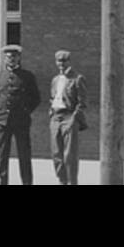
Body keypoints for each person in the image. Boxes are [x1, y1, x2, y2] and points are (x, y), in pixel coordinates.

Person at [0, 44, 40, 186]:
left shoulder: (27, 76)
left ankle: (27, 182)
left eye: (14, 56)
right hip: (3, 121)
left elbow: (36, 98)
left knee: (24, 154)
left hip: (21, 121)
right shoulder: (0, 75)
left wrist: (25, 111)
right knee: (2, 155)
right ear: (4, 59)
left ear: (19, 58)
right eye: (8, 57)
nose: (11, 59)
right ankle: (3, 181)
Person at [49, 49, 87, 186]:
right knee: (56, 154)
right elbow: (52, 98)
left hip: (69, 117)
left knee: (69, 156)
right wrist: (51, 112)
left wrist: (74, 118)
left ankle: (72, 182)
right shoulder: (55, 80)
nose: (61, 64)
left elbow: (82, 103)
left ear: (69, 62)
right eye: (59, 61)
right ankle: (62, 181)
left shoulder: (77, 79)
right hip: (55, 117)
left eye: (64, 61)